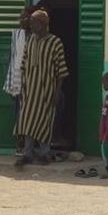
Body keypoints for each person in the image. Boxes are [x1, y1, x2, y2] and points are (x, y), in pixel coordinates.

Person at [15, 10, 69, 167]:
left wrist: (57, 92)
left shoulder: (55, 42)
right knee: (27, 122)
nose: (31, 26)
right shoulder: (30, 40)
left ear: (44, 24)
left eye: (34, 23)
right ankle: (27, 154)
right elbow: (24, 65)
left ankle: (44, 153)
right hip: (29, 91)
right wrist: (21, 88)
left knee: (45, 122)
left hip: (46, 91)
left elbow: (61, 71)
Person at [3, 5, 38, 152]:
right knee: (19, 113)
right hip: (18, 82)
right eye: (20, 17)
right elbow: (13, 59)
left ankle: (32, 146)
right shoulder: (17, 35)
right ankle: (21, 144)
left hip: (33, 83)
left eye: (24, 17)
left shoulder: (38, 37)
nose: (21, 20)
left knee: (33, 114)